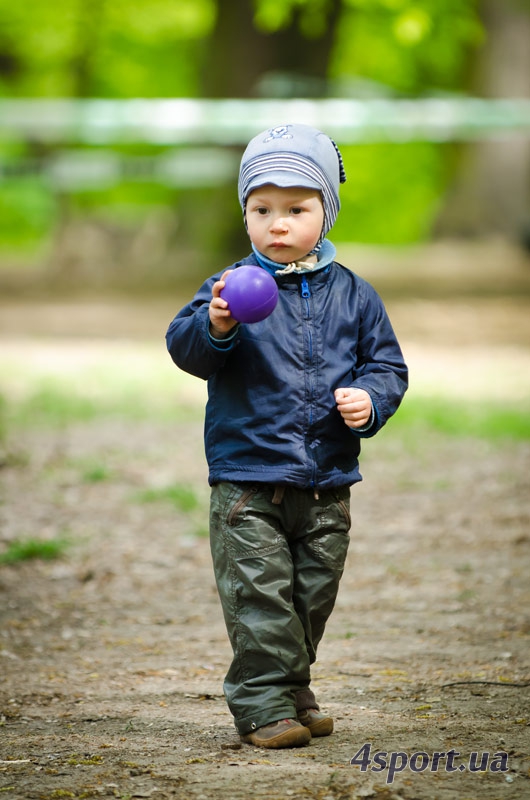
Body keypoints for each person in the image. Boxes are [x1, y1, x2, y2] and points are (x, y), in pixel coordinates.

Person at [166, 123, 408, 749]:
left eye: (296, 209)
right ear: (244, 212)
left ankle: (292, 685)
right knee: (260, 595)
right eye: (261, 209)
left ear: (326, 212)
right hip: (249, 476)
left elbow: (387, 364)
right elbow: (186, 348)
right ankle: (262, 704)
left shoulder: (353, 293)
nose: (277, 223)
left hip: (327, 478)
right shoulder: (228, 286)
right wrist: (215, 323)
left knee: (311, 596)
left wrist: (371, 399)